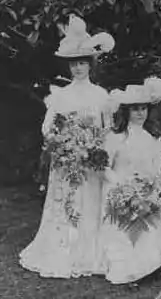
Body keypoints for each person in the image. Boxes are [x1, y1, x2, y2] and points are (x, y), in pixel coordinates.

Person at [19, 15, 115, 278]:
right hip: (66, 161)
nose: (78, 68)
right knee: (66, 204)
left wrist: (95, 147)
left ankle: (88, 250)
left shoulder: (101, 95)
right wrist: (63, 143)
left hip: (91, 161)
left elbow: (108, 129)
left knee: (89, 204)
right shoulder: (60, 95)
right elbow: (47, 128)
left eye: (83, 63)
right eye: (74, 63)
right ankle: (63, 249)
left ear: (90, 65)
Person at [100, 79, 161, 284]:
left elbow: (156, 173)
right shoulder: (115, 138)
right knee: (130, 216)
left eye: (143, 108)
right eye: (135, 109)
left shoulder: (151, 139)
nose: (140, 113)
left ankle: (155, 264)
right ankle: (132, 268)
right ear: (126, 112)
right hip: (118, 190)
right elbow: (104, 167)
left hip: (145, 190)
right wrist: (122, 187)